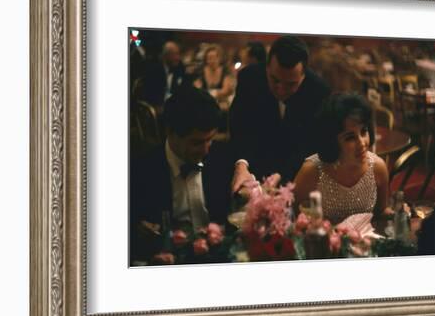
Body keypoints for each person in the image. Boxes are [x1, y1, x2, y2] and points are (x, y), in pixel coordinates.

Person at [130, 86, 233, 264]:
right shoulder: (140, 170)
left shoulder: (222, 158)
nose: (206, 149)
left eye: (210, 139)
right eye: (197, 142)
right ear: (170, 133)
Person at [229, 35, 330, 190]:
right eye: (275, 80)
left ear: (303, 75)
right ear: (267, 67)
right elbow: (239, 127)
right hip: (253, 169)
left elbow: (311, 143)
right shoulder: (249, 78)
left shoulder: (319, 91)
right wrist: (242, 164)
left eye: (291, 84)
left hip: (298, 174)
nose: (281, 90)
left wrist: (283, 175)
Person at [293, 93, 390, 231]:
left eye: (364, 131)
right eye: (350, 137)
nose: (362, 143)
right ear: (332, 141)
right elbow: (296, 220)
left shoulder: (378, 168)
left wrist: (400, 214)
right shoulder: (311, 171)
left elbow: (381, 213)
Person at [140, 40, 193, 113]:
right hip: (156, 106)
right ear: (166, 55)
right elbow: (148, 92)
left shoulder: (179, 66)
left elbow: (183, 86)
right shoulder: (153, 69)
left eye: (178, 54)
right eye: (175, 54)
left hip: (174, 105)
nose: (178, 58)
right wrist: (158, 106)